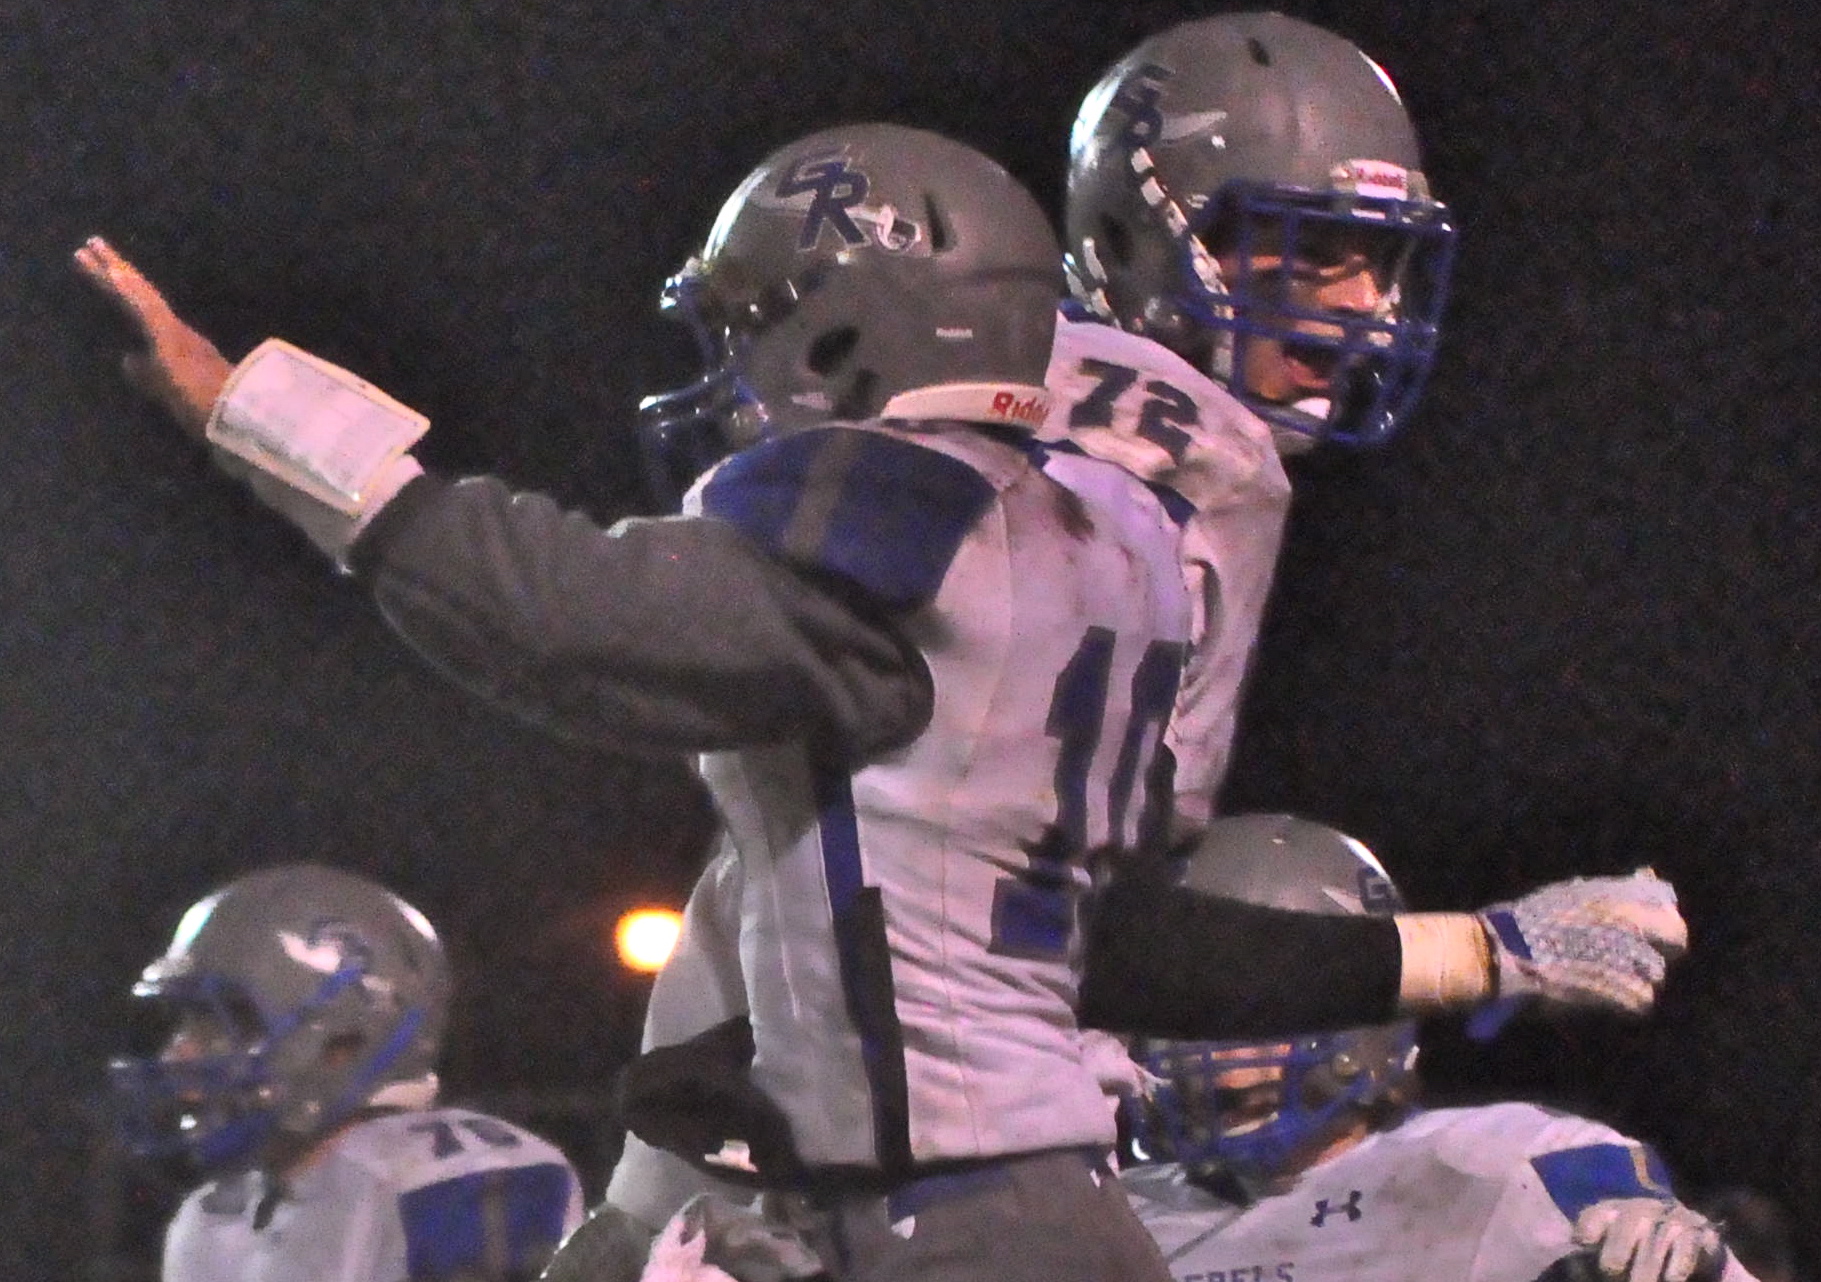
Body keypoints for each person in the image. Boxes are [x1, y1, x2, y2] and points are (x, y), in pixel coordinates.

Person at [78, 118, 1683, 1282]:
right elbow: (1093, 930)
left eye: (753, 329)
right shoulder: (1121, 528)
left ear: (853, 332)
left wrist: (263, 423)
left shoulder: (909, 521)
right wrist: (1479, 948)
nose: (733, 375)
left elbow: (562, 621)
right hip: (1036, 1202)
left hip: (940, 1215)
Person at [1119, 814, 1756, 1282]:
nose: (1203, 1046)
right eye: (1186, 1011)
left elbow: (1659, 1253)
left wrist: (1703, 1267)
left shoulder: (1507, 1165)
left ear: (1355, 1015)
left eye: (1245, 1014)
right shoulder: (1117, 1209)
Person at [111, 863, 585, 1282]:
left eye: (225, 1023)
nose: (178, 1054)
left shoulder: (449, 1179)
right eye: (187, 1022)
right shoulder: (213, 1221)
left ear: (343, 1042)